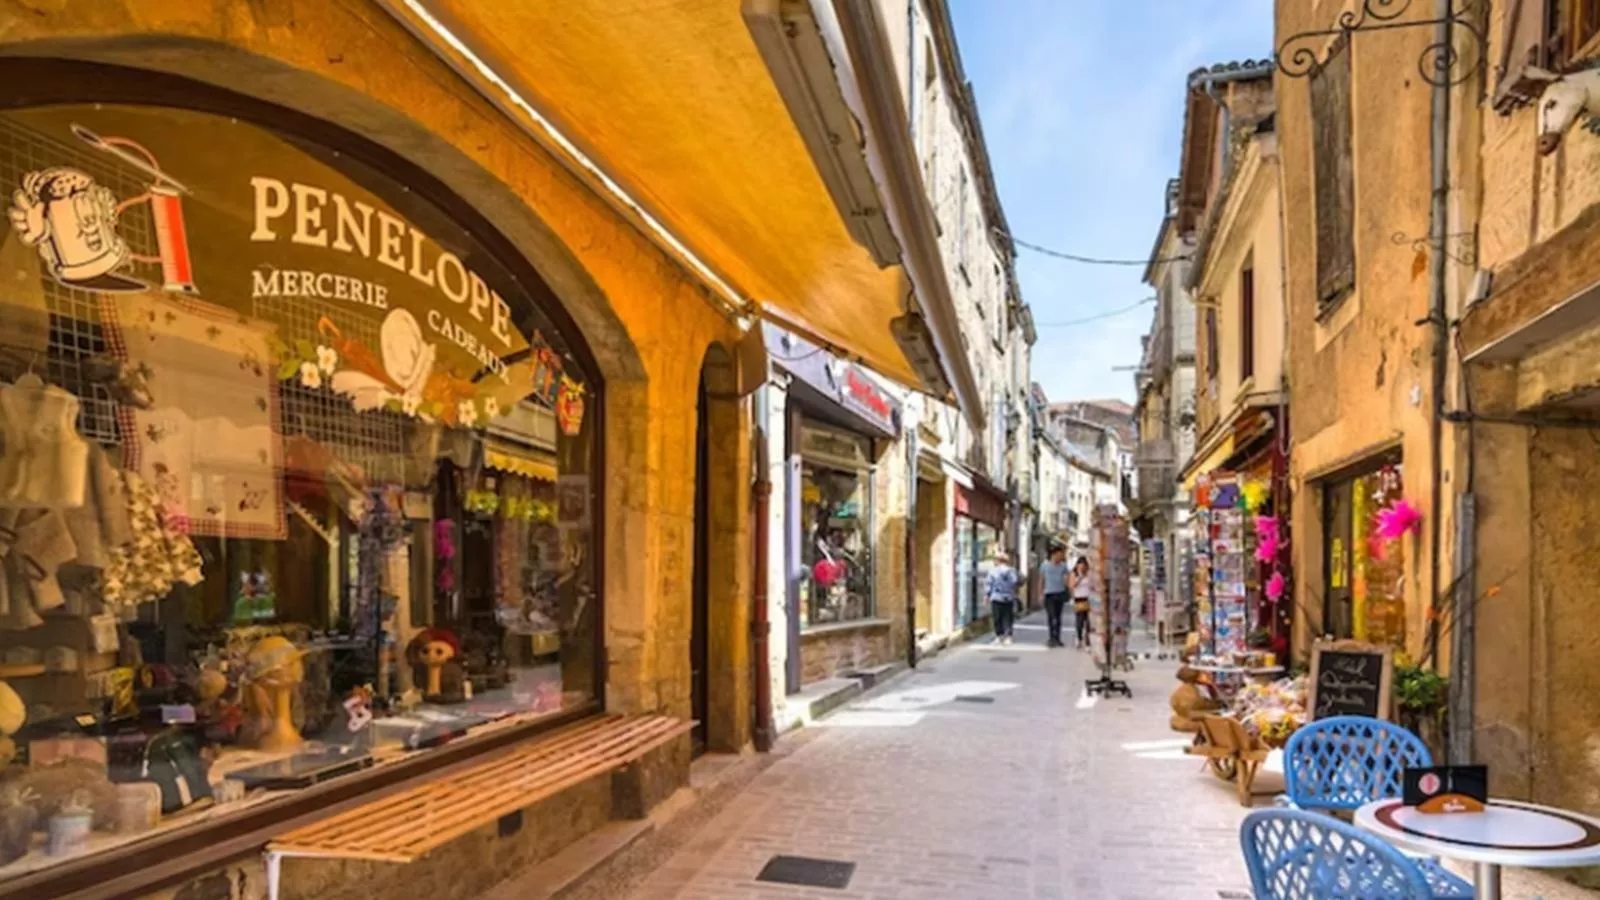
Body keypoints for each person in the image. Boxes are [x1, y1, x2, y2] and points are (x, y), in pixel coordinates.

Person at [1037, 545, 1071, 648]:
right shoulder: (1045, 565)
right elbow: (1041, 580)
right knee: (1052, 616)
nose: (1061, 556)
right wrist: (1040, 594)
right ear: (1054, 554)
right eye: (1060, 554)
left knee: (1058, 617)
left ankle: (1057, 638)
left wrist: (1067, 586)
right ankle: (1051, 637)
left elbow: (1067, 578)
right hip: (1049, 594)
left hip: (1059, 593)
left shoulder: (1063, 566)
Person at [985, 550, 1021, 645]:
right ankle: (1008, 636)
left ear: (998, 560)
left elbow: (989, 584)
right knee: (1008, 617)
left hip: (996, 597)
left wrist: (987, 595)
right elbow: (1015, 582)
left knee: (997, 617)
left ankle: (999, 636)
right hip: (1009, 597)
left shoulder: (993, 571)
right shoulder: (1012, 571)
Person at [1069, 556, 1093, 649]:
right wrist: (1080, 578)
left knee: (1088, 622)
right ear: (1077, 565)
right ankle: (1079, 638)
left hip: (1088, 598)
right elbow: (1071, 586)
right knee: (1079, 620)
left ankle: (1087, 642)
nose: (1082, 567)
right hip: (1078, 598)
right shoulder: (1074, 574)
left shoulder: (1089, 574)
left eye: (1084, 566)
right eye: (1080, 565)